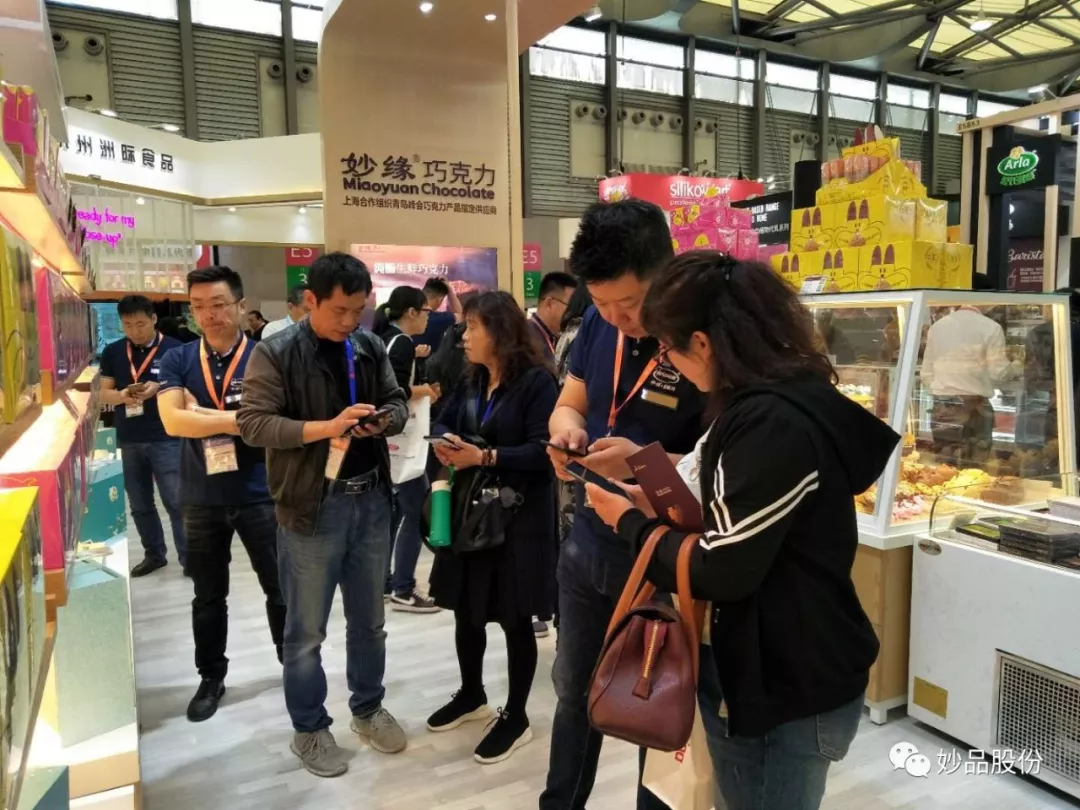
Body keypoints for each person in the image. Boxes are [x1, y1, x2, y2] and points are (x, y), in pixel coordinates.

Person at [584, 251, 896, 810]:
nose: (667, 361)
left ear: (703, 344)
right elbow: (732, 502)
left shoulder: (772, 421)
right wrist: (645, 482)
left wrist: (627, 522)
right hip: (770, 663)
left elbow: (721, 569)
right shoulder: (766, 403)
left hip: (783, 683)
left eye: (668, 348)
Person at [541, 199, 706, 810]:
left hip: (659, 555)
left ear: (666, 273)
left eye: (630, 304)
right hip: (587, 542)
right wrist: (566, 433)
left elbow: (715, 472)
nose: (617, 318)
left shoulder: (701, 338)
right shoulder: (599, 326)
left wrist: (640, 464)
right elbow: (570, 402)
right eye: (602, 303)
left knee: (653, 707)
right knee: (573, 694)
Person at [238, 252, 410, 778]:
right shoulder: (275, 352)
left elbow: (398, 401)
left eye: (359, 310)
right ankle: (309, 729)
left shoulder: (368, 346)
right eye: (340, 310)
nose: (350, 320)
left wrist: (384, 420)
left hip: (371, 501)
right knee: (306, 632)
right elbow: (254, 425)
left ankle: (368, 708)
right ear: (310, 300)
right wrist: (327, 428)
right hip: (312, 508)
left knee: (370, 622)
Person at [427, 290, 558, 764]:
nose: (463, 336)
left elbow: (545, 452)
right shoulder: (473, 380)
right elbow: (441, 422)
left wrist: (484, 456)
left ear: (499, 332)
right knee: (467, 610)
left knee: (514, 618)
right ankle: (472, 693)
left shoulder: (537, 383)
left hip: (517, 520)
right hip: (470, 516)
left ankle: (516, 715)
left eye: (472, 327)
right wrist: (444, 443)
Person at [156, 266, 287, 724]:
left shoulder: (266, 356)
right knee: (208, 596)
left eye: (218, 304)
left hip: (261, 493)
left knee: (280, 589)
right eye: (198, 307)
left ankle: (292, 665)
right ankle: (211, 676)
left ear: (240, 305)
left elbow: (274, 423)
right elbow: (173, 422)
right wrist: (241, 419)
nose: (208, 315)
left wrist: (204, 415)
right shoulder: (178, 358)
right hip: (200, 495)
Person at [98, 295, 185, 577]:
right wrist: (123, 395)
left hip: (167, 436)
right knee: (139, 503)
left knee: (177, 501)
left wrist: (158, 387)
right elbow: (103, 393)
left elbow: (188, 389)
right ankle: (154, 554)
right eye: (127, 325)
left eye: (140, 324)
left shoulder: (176, 349)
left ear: (153, 319)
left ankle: (190, 558)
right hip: (129, 437)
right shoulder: (113, 352)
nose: (135, 331)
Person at [371, 286, 442, 613]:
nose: (429, 317)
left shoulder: (385, 338)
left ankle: (385, 582)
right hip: (404, 440)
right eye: (426, 311)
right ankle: (403, 587)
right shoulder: (400, 342)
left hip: (387, 440)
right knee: (417, 512)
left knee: (397, 512)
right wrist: (424, 390)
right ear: (411, 312)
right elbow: (394, 390)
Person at [921, 301, 1017, 467]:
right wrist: (1016, 366)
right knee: (974, 466)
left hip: (942, 404)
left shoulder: (937, 327)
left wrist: (944, 394)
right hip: (975, 406)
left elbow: (926, 374)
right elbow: (999, 373)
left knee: (945, 464)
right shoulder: (991, 327)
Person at [528, 272, 578, 362]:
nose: (573, 313)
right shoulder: (527, 339)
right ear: (549, 304)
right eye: (570, 307)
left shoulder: (557, 337)